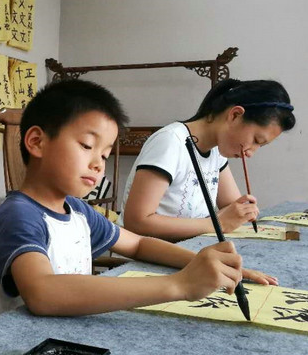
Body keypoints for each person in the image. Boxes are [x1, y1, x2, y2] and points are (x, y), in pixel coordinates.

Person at [0, 79, 276, 321]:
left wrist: (206, 265)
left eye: (104, 154)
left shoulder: (77, 210)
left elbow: (138, 244)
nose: (99, 164)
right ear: (37, 142)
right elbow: (44, 293)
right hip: (11, 351)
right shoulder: (19, 215)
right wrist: (180, 285)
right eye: (87, 146)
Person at [120, 78, 295, 241]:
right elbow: (137, 221)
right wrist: (216, 224)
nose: (251, 152)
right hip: (146, 258)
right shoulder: (171, 141)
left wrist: (242, 211)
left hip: (190, 251)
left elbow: (230, 207)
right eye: (256, 140)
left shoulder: (216, 151)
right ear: (234, 115)